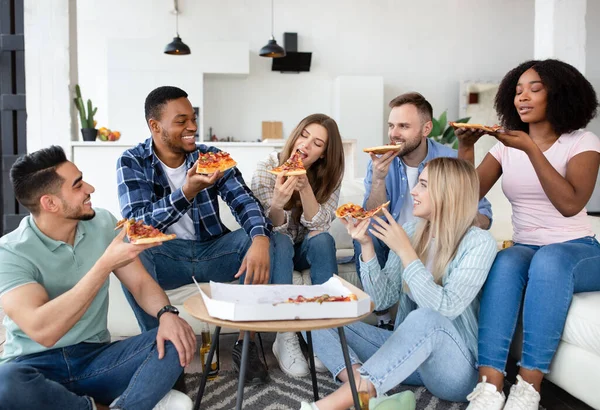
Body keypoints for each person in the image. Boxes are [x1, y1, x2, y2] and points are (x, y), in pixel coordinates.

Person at [116, 86, 293, 385]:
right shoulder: (132, 161)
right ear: (155, 126)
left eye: (193, 118)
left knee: (277, 239)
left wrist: (261, 239)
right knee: (127, 244)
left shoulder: (211, 157)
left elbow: (245, 202)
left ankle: (246, 345)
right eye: (181, 120)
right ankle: (165, 357)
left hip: (214, 253)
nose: (193, 127)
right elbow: (138, 224)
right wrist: (186, 192)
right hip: (166, 258)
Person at [0, 146, 196, 410]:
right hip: (35, 366)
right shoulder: (10, 252)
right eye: (78, 185)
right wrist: (103, 265)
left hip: (95, 360)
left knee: (177, 335)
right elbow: (44, 332)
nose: (90, 188)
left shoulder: (102, 223)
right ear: (50, 203)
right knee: (5, 383)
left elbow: (139, 283)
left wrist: (167, 313)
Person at [300, 157, 498, 410]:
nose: (413, 192)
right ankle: (363, 393)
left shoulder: (479, 242)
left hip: (456, 370)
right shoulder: (413, 229)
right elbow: (382, 300)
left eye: (423, 185)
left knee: (426, 318)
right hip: (411, 359)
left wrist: (407, 252)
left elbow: (445, 308)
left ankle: (329, 405)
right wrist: (367, 246)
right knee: (315, 315)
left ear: (448, 192)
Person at [458, 59, 600, 410]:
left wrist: (531, 149)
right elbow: (465, 196)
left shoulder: (582, 141)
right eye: (518, 90)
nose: (523, 97)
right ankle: (490, 387)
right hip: (526, 247)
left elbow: (570, 204)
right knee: (505, 262)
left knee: (550, 260)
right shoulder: (505, 145)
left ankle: (528, 388)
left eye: (535, 89)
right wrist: (466, 148)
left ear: (559, 95)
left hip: (577, 250)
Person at [357, 92, 493, 330]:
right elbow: (374, 217)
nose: (394, 133)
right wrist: (378, 178)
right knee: (320, 328)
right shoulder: (379, 162)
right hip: (404, 236)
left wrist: (446, 225)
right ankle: (383, 320)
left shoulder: (450, 162)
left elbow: (481, 214)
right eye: (391, 126)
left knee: (423, 318)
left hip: (441, 240)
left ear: (426, 128)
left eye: (404, 126)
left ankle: (372, 363)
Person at [251, 113, 345, 377]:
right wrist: (278, 202)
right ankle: (285, 334)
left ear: (324, 154)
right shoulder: (266, 168)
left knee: (324, 239)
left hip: (305, 249)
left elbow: (320, 224)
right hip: (277, 250)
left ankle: (325, 334)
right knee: (280, 239)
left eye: (317, 143)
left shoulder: (330, 176)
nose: (305, 145)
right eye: (304, 135)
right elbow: (268, 229)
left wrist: (305, 189)